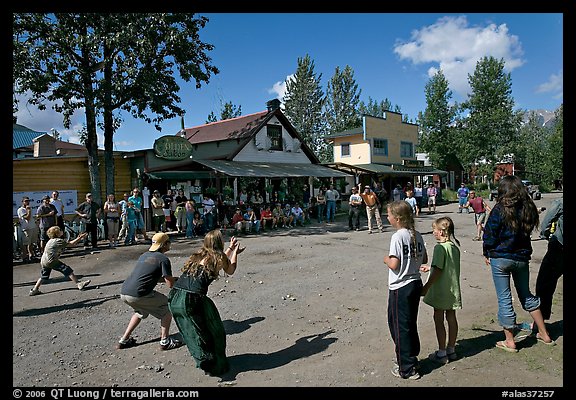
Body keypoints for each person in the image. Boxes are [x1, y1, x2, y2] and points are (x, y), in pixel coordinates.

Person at [482, 175, 554, 352]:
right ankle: (544, 334)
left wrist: (487, 251)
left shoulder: (499, 209)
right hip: (521, 258)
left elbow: (489, 234)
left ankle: (510, 341)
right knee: (527, 296)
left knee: (505, 298)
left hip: (501, 258)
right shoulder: (528, 208)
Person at [168, 230, 245, 376]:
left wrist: (230, 250)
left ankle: (206, 361)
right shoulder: (218, 257)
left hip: (176, 295)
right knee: (213, 331)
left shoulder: (199, 255)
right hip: (192, 298)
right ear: (218, 242)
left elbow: (219, 261)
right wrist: (234, 251)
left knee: (194, 333)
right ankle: (212, 364)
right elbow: (231, 269)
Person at [116, 232, 184, 351]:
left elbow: (150, 277)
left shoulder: (144, 255)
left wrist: (172, 279)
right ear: (164, 244)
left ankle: (124, 339)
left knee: (140, 311)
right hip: (139, 294)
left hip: (125, 292)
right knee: (168, 307)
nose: (170, 244)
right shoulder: (163, 259)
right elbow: (170, 285)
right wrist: (179, 283)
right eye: (168, 242)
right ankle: (165, 341)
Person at [383, 200, 428, 380]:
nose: (388, 217)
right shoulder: (416, 234)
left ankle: (406, 367)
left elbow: (394, 264)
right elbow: (424, 258)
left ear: (398, 218)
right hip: (414, 283)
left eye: (389, 215)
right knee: (409, 323)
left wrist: (385, 259)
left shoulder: (398, 236)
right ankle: (411, 357)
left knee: (398, 325)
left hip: (400, 286)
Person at [420, 217, 461, 364]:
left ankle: (442, 352)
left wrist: (426, 287)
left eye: (434, 230)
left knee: (438, 318)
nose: (433, 233)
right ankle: (451, 349)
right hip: (453, 289)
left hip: (441, 290)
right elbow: (447, 266)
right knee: (451, 317)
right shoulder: (454, 247)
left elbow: (438, 270)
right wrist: (430, 268)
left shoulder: (439, 248)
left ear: (442, 232)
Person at [29, 226, 90, 296]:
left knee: (44, 276)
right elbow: (71, 244)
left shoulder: (50, 241)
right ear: (57, 233)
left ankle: (34, 289)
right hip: (52, 261)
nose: (62, 231)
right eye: (60, 230)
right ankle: (79, 284)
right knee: (68, 270)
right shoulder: (58, 241)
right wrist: (80, 238)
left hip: (44, 261)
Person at [535, 197, 563, 326]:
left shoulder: (560, 202)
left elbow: (546, 222)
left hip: (559, 247)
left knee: (545, 283)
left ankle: (541, 322)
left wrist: (544, 235)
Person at [18, 196, 40, 263]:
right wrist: (29, 211)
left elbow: (31, 218)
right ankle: (25, 257)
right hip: (26, 228)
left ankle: (31, 256)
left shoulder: (28, 208)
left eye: (28, 201)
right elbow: (27, 218)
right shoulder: (21, 210)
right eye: (26, 201)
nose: (27, 202)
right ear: (23, 202)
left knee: (31, 243)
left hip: (32, 227)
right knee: (26, 244)